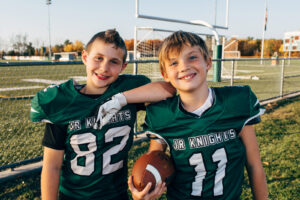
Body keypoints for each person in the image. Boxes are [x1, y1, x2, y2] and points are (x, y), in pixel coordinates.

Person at [100, 31, 268, 200]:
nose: (183, 66)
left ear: (208, 62)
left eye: (192, 57)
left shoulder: (236, 101)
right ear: (165, 75)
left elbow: (254, 165)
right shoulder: (162, 114)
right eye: (174, 62)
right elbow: (154, 161)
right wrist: (143, 193)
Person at [30, 29, 174, 200]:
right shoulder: (63, 101)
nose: (104, 67)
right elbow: (52, 166)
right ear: (85, 57)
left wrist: (121, 99)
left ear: (123, 66)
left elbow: (168, 90)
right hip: (73, 196)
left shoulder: (128, 89)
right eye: (98, 58)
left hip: (115, 194)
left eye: (114, 61)